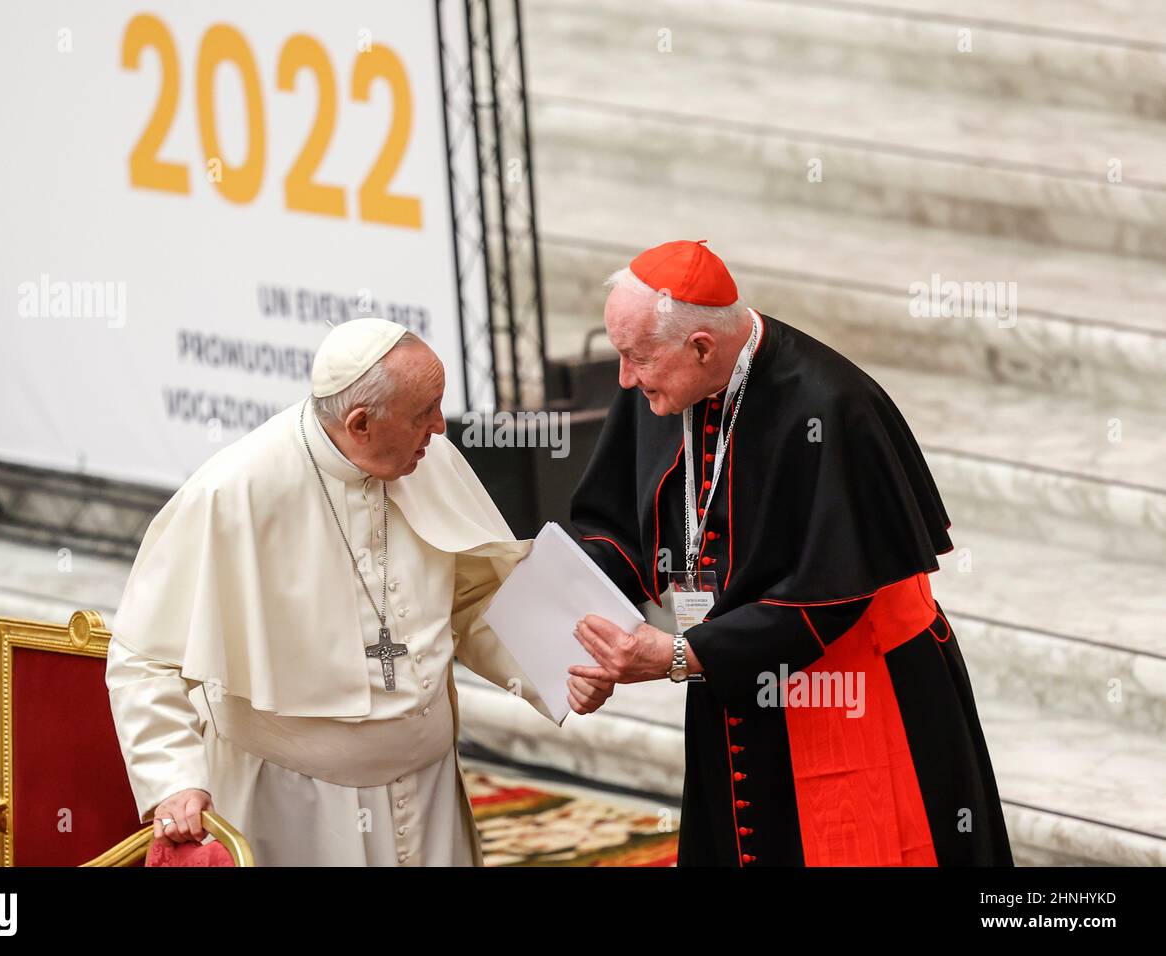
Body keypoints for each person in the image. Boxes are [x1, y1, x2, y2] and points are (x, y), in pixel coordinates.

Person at [567, 239, 1012, 866]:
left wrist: (678, 653)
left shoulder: (833, 406)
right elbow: (614, 527)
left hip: (855, 687)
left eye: (635, 358)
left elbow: (827, 602)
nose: (623, 378)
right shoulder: (659, 383)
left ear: (701, 348)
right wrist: (584, 640)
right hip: (731, 679)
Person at [105, 318, 614, 866]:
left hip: (427, 790)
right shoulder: (234, 491)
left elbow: (472, 599)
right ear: (361, 422)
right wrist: (174, 779)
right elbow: (143, 657)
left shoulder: (427, 460)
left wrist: (558, 671)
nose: (441, 427)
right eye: (425, 413)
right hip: (296, 802)